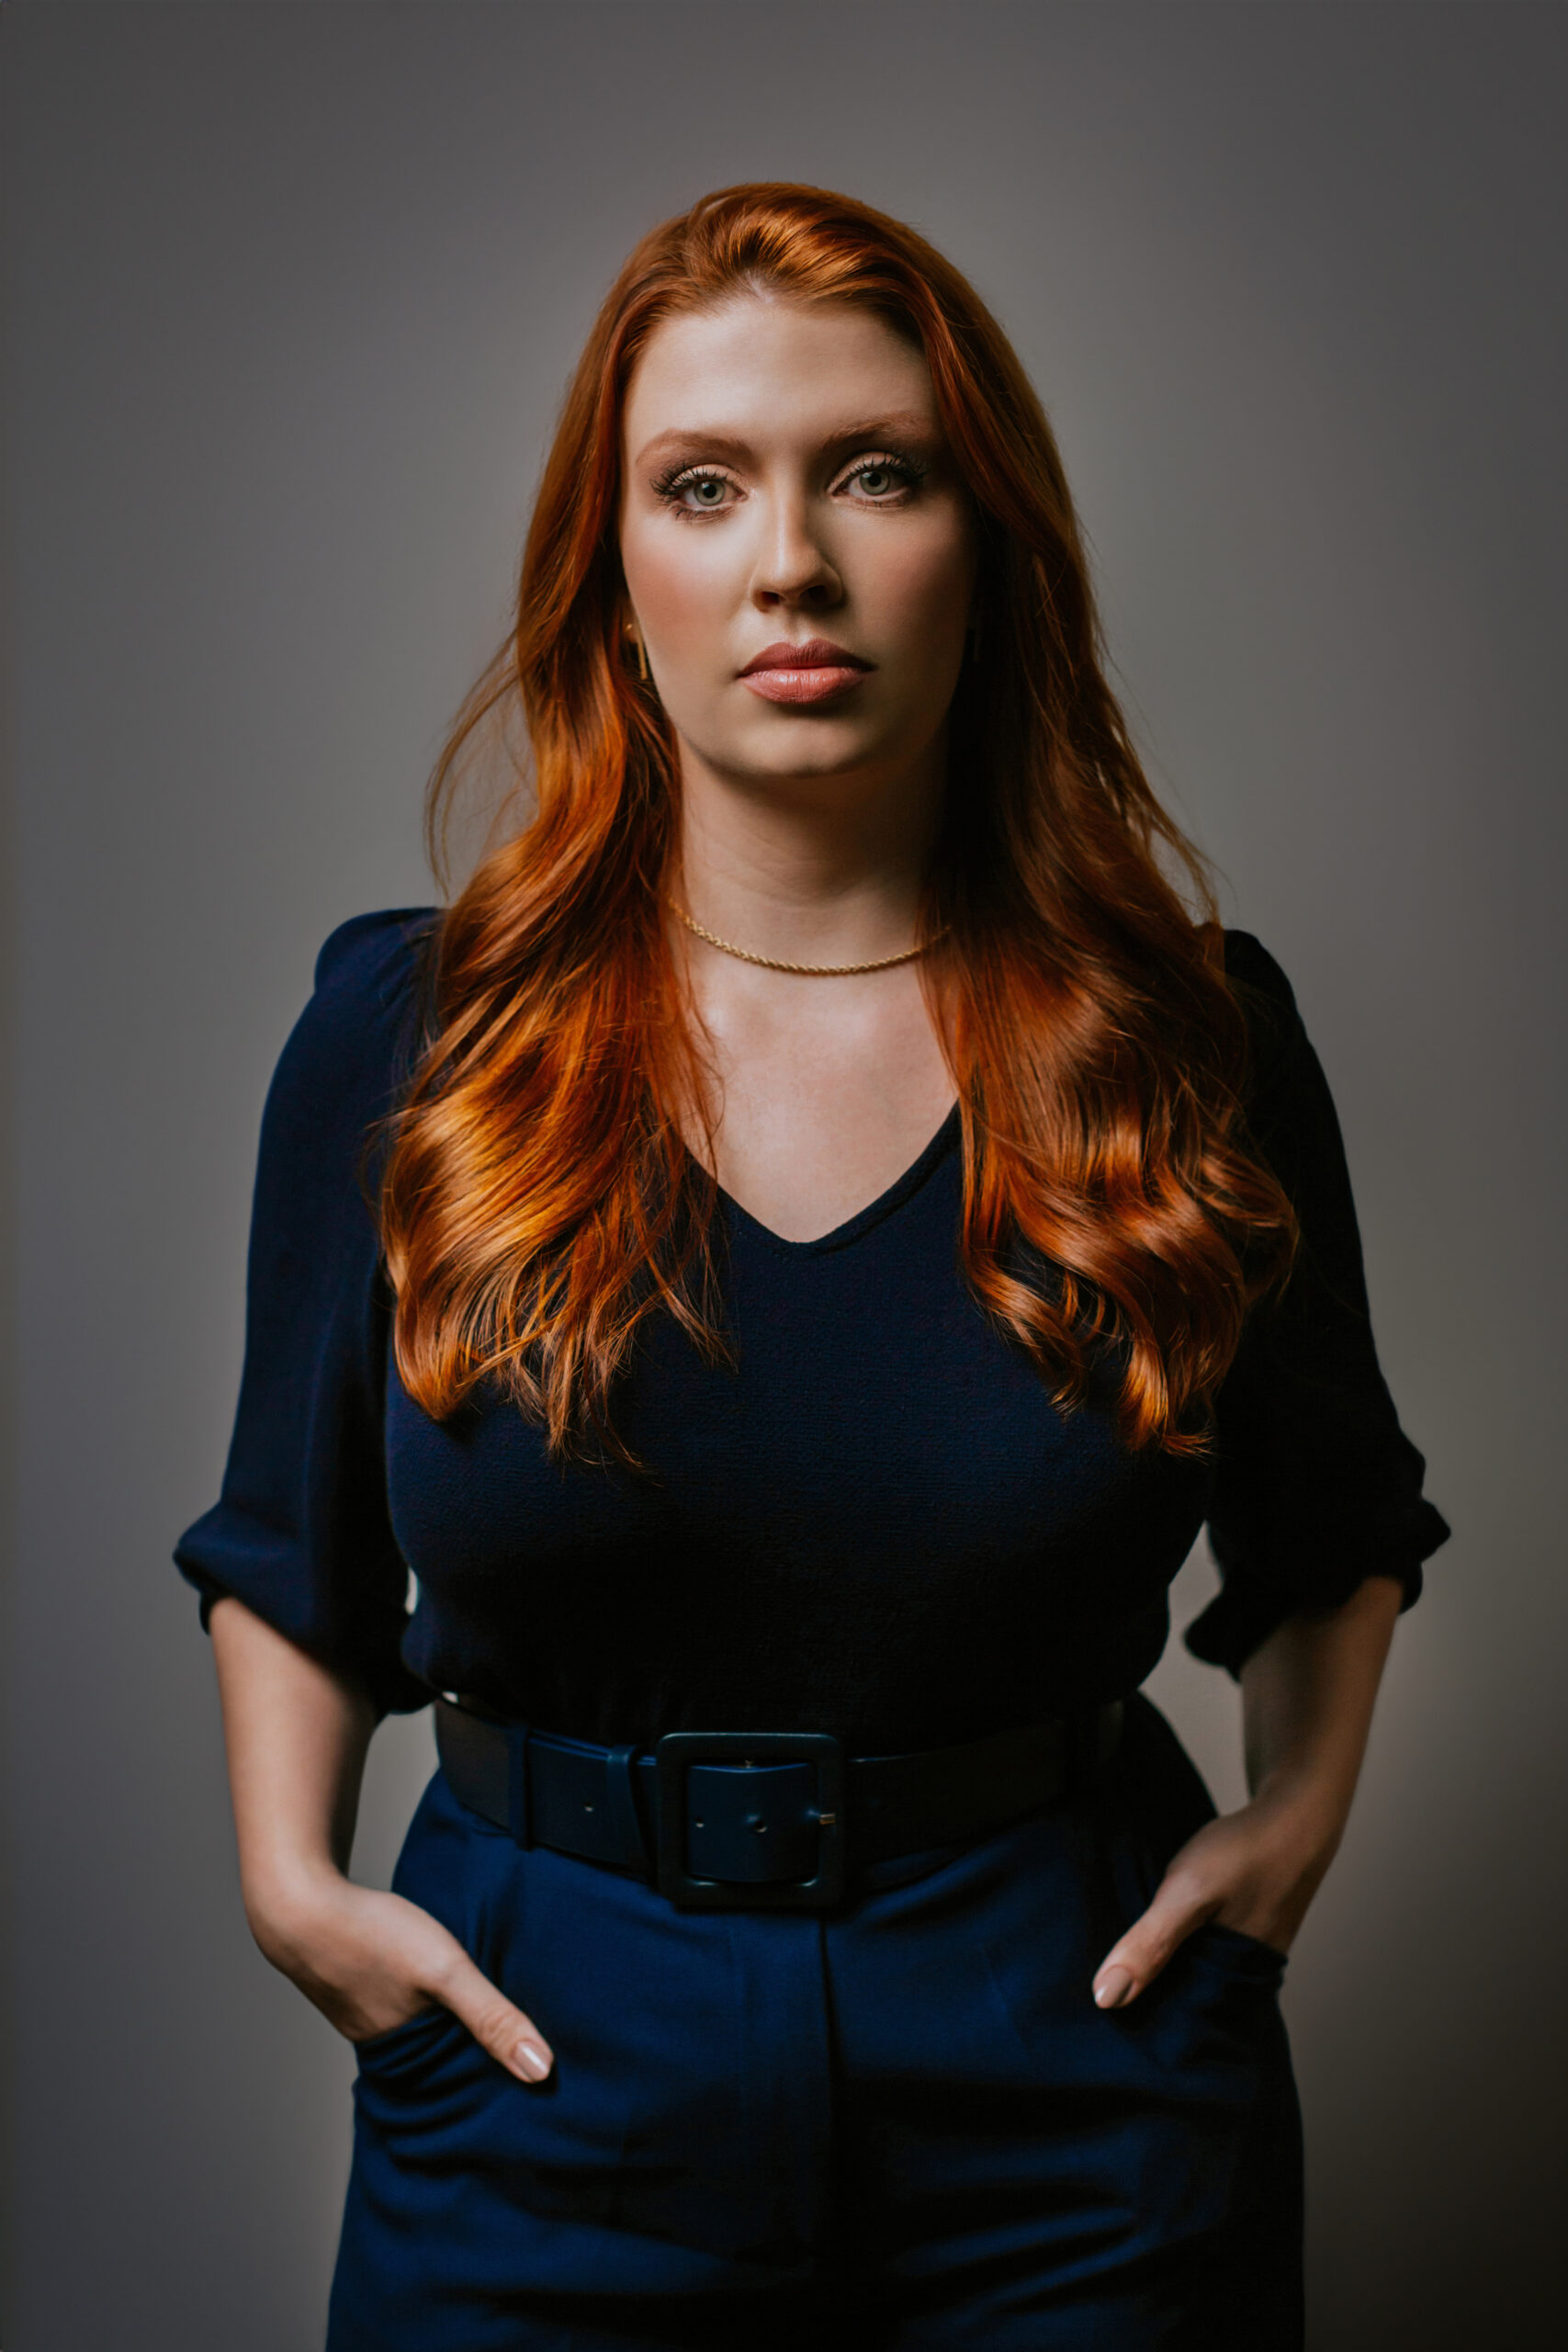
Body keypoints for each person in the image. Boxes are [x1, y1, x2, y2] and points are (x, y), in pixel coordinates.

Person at [175, 182, 1449, 2351]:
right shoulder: (411, 1040)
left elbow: (1331, 1518)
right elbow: (289, 1548)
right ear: (613, 578)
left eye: (874, 472)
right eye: (702, 485)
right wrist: (296, 1890)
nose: (790, 561)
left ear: (989, 545)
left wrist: (1288, 1834)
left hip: (1071, 2077)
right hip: (542, 2073)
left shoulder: (1186, 1040)